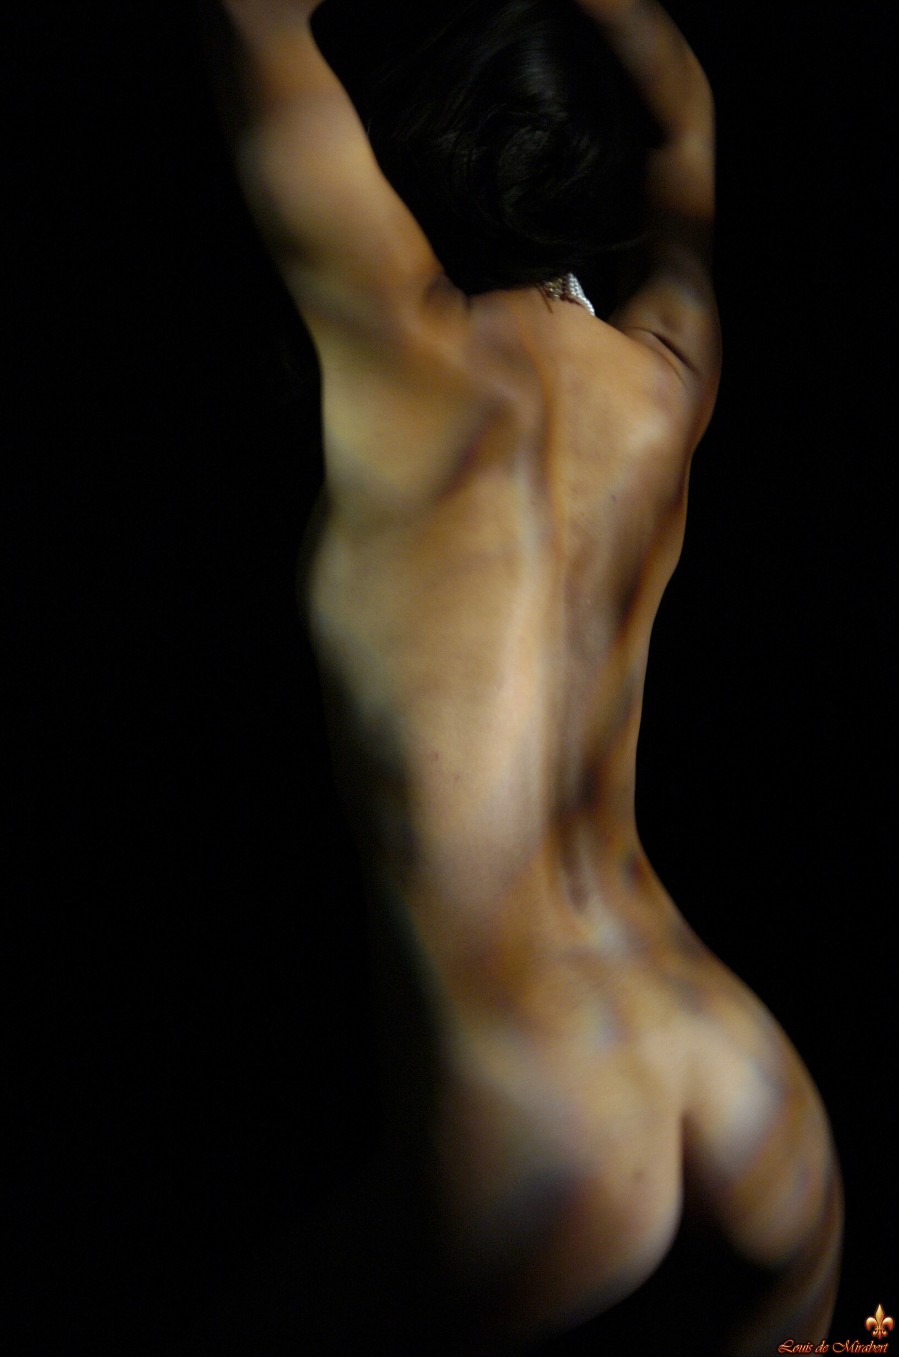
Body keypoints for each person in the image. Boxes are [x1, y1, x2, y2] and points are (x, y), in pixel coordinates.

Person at [210, 0, 842, 1350]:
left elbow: (250, 25)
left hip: (541, 1123)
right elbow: (683, 109)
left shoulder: (404, 352)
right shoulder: (668, 375)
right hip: (742, 1076)